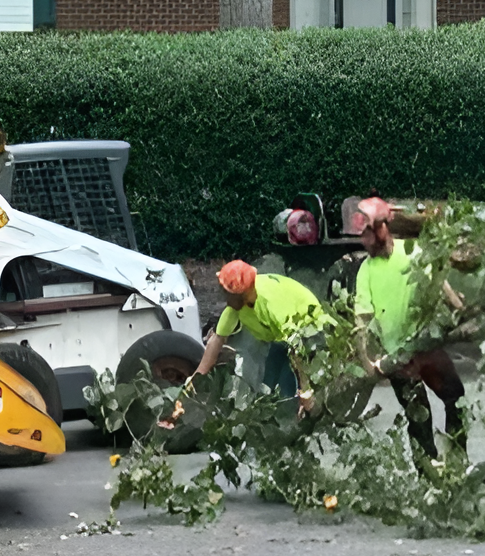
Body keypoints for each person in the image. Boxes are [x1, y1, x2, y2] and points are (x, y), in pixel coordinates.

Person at [351, 196, 467, 462]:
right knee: (418, 418)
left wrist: (456, 305)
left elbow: (439, 283)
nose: (365, 241)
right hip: (396, 357)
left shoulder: (411, 251)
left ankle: (458, 460)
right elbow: (362, 320)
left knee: (455, 397)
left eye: (368, 234)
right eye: (363, 236)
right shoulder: (365, 270)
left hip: (426, 346)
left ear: (382, 228)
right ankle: (429, 475)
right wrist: (367, 361)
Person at [190, 259, 327, 413]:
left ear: (244, 293)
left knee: (288, 388)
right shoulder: (236, 307)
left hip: (309, 331)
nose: (224, 297)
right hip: (278, 337)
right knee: (267, 385)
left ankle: (297, 414)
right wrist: (194, 382)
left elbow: (297, 349)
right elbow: (216, 341)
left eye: (226, 293)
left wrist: (306, 390)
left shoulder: (272, 306)